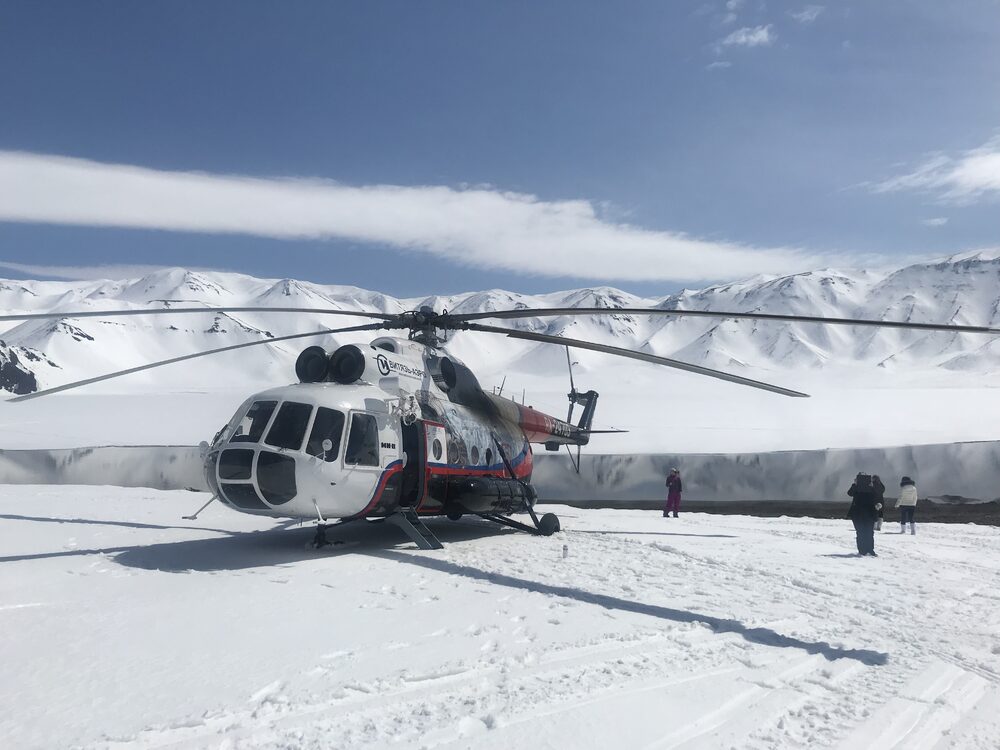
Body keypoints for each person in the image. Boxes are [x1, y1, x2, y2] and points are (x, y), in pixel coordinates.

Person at [847, 472, 879, 556]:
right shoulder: (871, 488)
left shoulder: (856, 488)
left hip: (858, 513)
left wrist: (854, 484)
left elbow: (849, 493)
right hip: (870, 513)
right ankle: (870, 550)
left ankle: (862, 550)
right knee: (869, 532)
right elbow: (877, 496)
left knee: (860, 532)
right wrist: (871, 486)